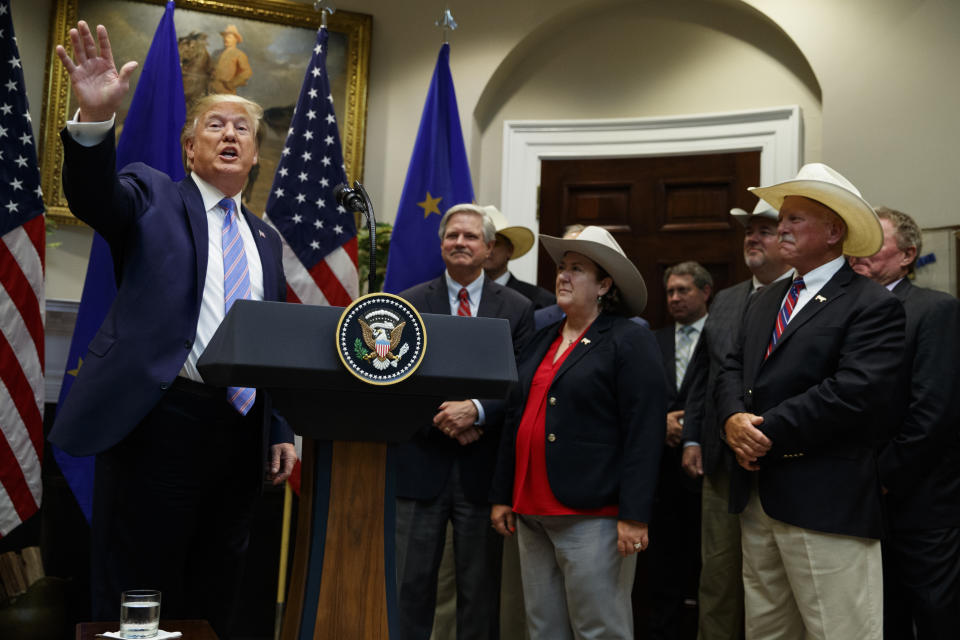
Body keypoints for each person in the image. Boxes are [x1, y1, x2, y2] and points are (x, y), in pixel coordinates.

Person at [48, 22, 296, 638]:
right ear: (190, 150)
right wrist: (94, 117)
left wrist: (280, 426)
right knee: (140, 585)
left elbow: (270, 341)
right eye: (216, 125)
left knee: (217, 584)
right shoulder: (151, 194)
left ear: (257, 155)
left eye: (244, 129)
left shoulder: (266, 241)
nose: (231, 135)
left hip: (239, 432)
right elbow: (94, 197)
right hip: (159, 420)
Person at [716, 163, 905, 639]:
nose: (782, 226)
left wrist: (763, 432)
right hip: (759, 498)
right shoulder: (764, 301)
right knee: (768, 632)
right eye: (784, 217)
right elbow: (731, 368)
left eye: (796, 218)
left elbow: (854, 392)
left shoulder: (870, 304)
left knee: (841, 631)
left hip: (827, 501)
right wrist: (732, 420)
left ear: (834, 230)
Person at [489, 225, 665, 640]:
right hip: (530, 510)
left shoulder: (629, 340)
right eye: (562, 267)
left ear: (605, 284)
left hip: (593, 514)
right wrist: (501, 494)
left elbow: (644, 430)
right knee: (543, 629)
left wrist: (635, 515)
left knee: (599, 629)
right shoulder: (543, 337)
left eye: (577, 269)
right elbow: (517, 416)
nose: (563, 276)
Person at [394, 203, 535, 640]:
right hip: (420, 466)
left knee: (480, 590)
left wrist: (477, 410)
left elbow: (521, 382)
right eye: (453, 235)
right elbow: (396, 378)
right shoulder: (410, 302)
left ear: (489, 247)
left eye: (471, 236)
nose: (460, 242)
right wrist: (445, 417)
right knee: (409, 587)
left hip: (483, 470)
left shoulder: (517, 308)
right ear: (441, 245)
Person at [680, 199, 792, 640]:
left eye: (765, 229)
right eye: (749, 231)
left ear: (786, 239)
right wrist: (691, 437)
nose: (753, 237)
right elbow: (702, 378)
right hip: (721, 463)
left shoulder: (801, 297)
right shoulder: (725, 300)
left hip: (779, 462)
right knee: (718, 577)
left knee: (772, 581)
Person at [850, 207, 960, 639]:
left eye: (873, 242)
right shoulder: (847, 312)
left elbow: (934, 413)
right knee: (880, 618)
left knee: (936, 617)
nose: (859, 252)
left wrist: (880, 476)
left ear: (907, 255)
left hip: (923, 503)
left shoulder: (935, 310)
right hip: (862, 506)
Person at [648, 261, 711, 640]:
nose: (673, 298)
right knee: (663, 567)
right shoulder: (653, 340)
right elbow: (635, 396)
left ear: (705, 292)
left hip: (707, 468)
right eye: (669, 291)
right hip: (660, 473)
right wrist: (663, 423)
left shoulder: (724, 335)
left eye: (683, 290)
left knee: (710, 566)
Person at [483, 205, 556, 309]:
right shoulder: (462, 296)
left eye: (495, 244)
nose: (488, 249)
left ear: (510, 250)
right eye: (483, 243)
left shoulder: (539, 300)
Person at [211, 24, 252, 95]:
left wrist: (232, 83)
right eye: (224, 37)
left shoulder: (239, 54)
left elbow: (247, 72)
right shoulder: (216, 52)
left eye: (229, 37)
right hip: (210, 89)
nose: (225, 39)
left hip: (226, 92)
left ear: (236, 39)